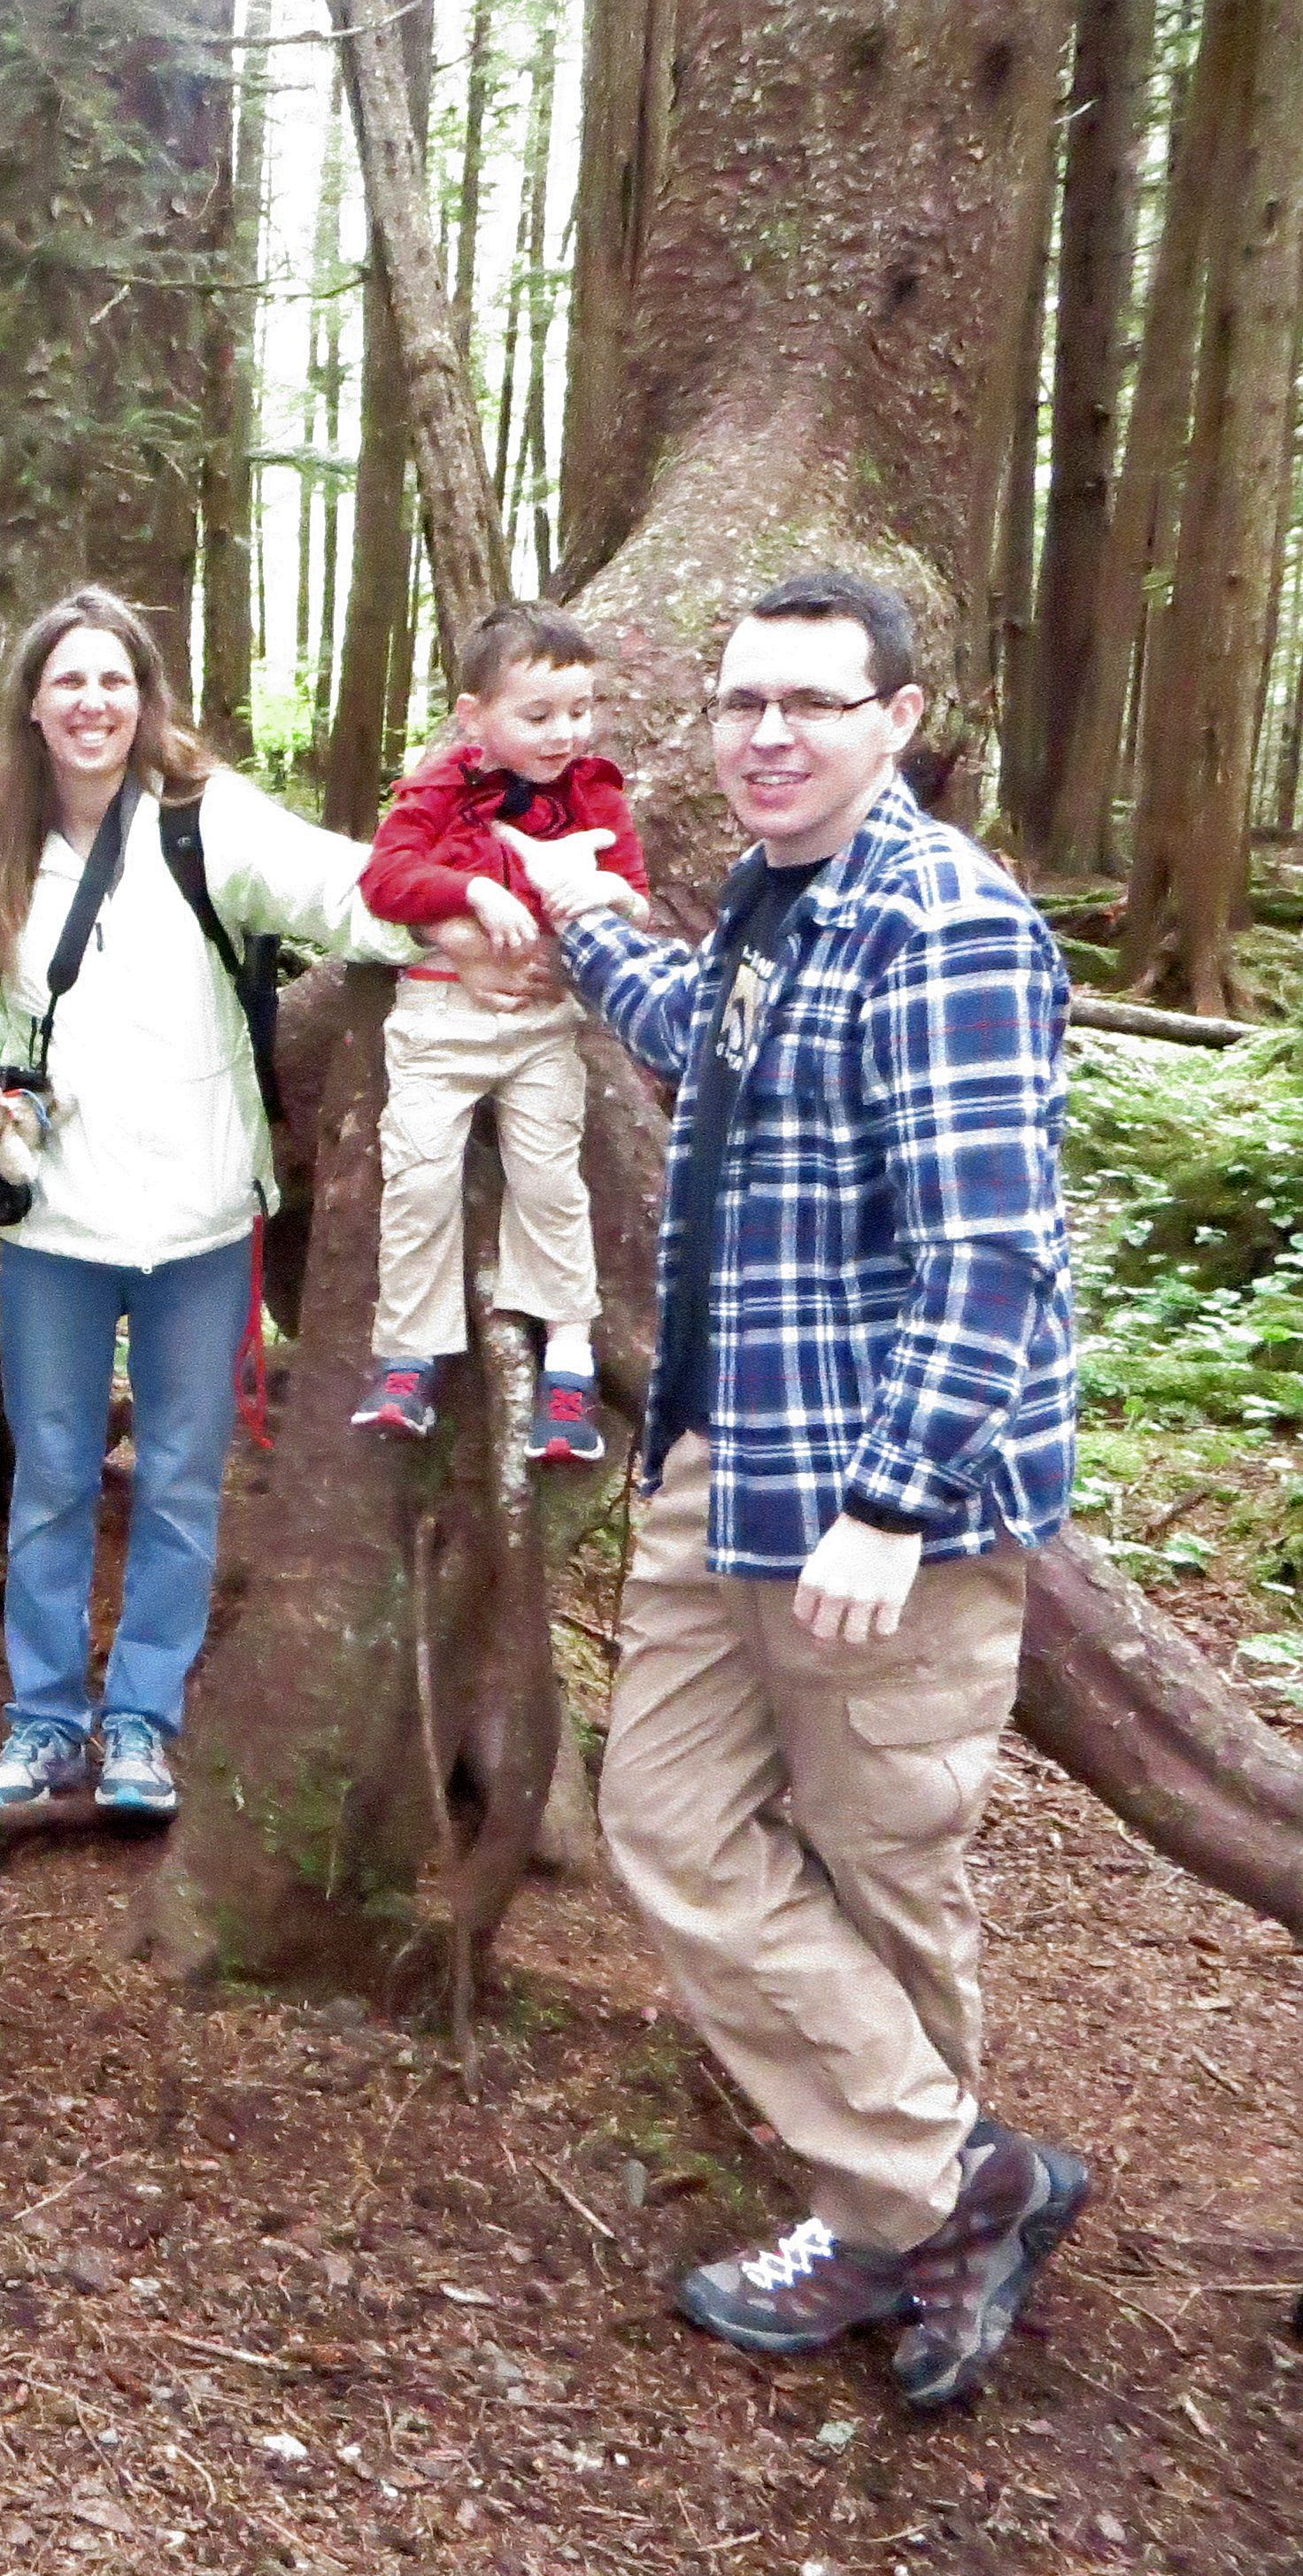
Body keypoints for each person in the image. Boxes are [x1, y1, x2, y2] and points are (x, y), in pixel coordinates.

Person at [524, 571, 1083, 2412]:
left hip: (875, 1500)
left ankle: (888, 2221)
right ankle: (954, 2184)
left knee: (879, 1860)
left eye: (812, 705)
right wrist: (582, 924)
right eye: (742, 704)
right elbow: (708, 1040)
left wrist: (892, 1499)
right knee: (669, 1822)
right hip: (724, 1453)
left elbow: (989, 1255)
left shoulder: (944, 925)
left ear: (896, 722)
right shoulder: (777, 902)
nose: (767, 736)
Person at [0, 588, 436, 1817]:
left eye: (113, 680)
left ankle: (141, 1722)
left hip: (203, 1217)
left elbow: (339, 890)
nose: (91, 703)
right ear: (32, 704)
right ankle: (44, 1719)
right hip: (53, 1220)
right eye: (68, 681)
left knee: (176, 1478)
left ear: (144, 697)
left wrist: (462, 909)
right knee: (53, 1475)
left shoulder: (204, 819)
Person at [351, 599, 648, 1462]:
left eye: (579, 710)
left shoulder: (594, 794)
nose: (565, 733)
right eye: (538, 715)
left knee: (550, 1183)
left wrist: (606, 894)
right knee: (418, 1180)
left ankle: (568, 1360)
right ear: (474, 718)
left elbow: (632, 892)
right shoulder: (437, 791)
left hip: (542, 1027)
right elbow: (385, 880)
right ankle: (409, 1357)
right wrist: (470, 891)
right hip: (438, 1022)